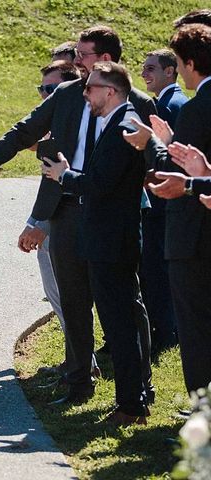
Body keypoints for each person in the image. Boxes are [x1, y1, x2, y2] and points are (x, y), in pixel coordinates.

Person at [0, 25, 156, 407]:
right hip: (66, 211)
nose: (75, 61)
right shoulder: (67, 96)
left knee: (125, 303)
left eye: (82, 55)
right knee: (73, 299)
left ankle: (139, 387)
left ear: (104, 59)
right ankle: (79, 382)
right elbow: (24, 132)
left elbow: (150, 160)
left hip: (111, 216)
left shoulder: (138, 103)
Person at [42, 62, 149, 425]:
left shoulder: (124, 124)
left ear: (111, 91)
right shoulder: (118, 121)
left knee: (118, 324)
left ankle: (132, 405)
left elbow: (101, 184)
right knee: (117, 323)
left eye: (90, 88)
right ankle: (131, 403)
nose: (85, 94)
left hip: (112, 241)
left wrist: (63, 175)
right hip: (107, 238)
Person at [124, 23, 211, 394]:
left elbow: (173, 175)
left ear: (189, 64)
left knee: (195, 333)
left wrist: (155, 142)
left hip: (193, 237)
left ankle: (201, 419)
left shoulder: (197, 108)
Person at [19, 60, 86, 376]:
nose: (44, 94)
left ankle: (83, 366)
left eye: (50, 89)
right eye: (41, 88)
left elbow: (56, 183)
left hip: (62, 221)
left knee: (64, 296)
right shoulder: (59, 119)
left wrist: (37, 224)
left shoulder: (70, 122)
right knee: (61, 296)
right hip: (57, 218)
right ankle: (75, 362)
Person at [139, 48, 188, 355]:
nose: (145, 73)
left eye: (151, 68)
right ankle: (164, 328)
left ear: (171, 71)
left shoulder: (171, 105)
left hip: (163, 202)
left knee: (157, 268)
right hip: (163, 201)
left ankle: (166, 330)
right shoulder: (167, 102)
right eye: (143, 68)